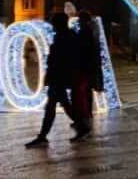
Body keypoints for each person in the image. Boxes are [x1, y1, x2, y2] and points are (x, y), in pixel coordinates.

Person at [26, 12, 89, 147]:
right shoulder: (67, 36)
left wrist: (50, 76)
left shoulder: (65, 37)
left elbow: (59, 60)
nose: (53, 26)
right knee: (63, 105)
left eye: (54, 23)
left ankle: (43, 136)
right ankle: (82, 128)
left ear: (59, 24)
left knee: (51, 107)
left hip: (59, 78)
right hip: (60, 77)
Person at [73, 9, 103, 128]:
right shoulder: (93, 30)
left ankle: (85, 116)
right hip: (91, 65)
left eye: (80, 19)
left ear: (83, 20)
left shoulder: (85, 31)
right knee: (87, 91)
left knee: (84, 91)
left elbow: (83, 49)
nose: (78, 21)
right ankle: (86, 114)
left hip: (85, 66)